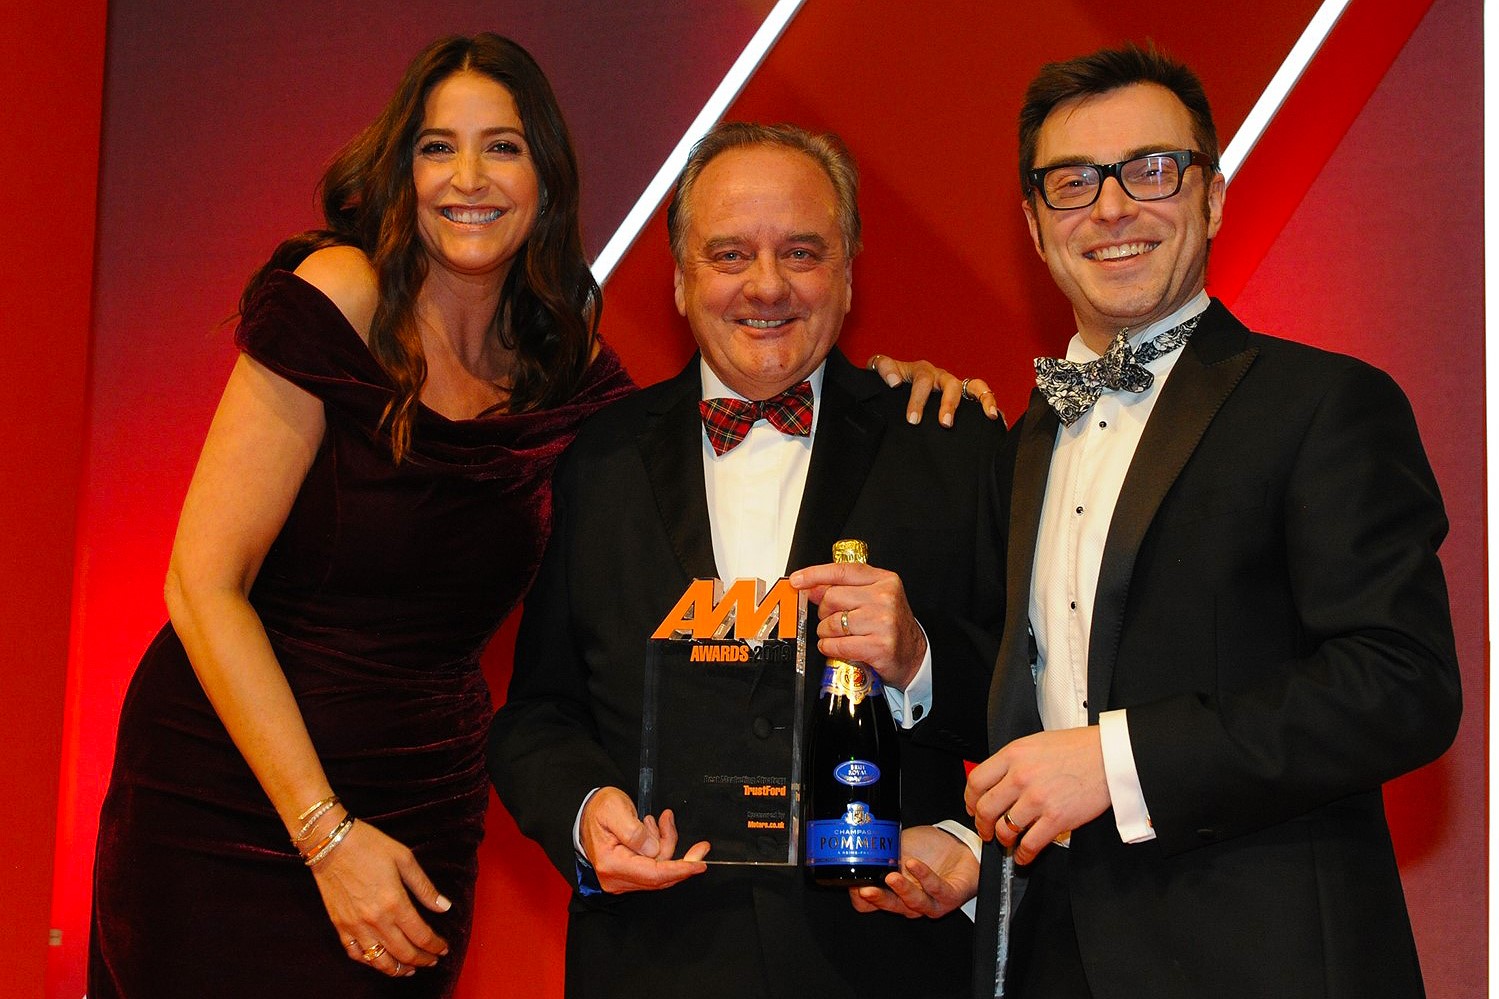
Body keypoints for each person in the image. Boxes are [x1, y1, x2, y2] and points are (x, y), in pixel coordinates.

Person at [86, 33, 973, 996]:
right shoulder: (340, 295)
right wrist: (325, 831)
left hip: (421, 793)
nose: (468, 176)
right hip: (239, 790)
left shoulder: (569, 381)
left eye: (502, 146)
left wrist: (894, 396)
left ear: (545, 176)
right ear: (680, 278)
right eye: (437, 146)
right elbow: (202, 582)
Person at [962, 44, 1461, 998]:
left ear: (1213, 197)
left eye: (1150, 169)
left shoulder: (1324, 402)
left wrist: (1116, 760)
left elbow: (1402, 684)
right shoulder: (1024, 436)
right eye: (1072, 183)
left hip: (1266, 959)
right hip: (1057, 959)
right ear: (1033, 225)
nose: (1111, 208)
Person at [487, 122, 1006, 999]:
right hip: (653, 960)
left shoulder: (950, 444)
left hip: (883, 959)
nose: (766, 286)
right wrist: (585, 816)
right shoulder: (597, 459)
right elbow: (538, 712)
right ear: (682, 279)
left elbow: (1038, 702)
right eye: (729, 253)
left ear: (848, 273)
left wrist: (918, 663)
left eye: (801, 251)